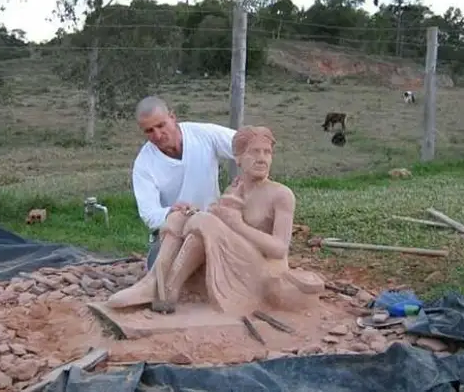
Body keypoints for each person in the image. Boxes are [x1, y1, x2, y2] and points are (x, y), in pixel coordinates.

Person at [107, 125, 324, 315]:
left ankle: (168, 287)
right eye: (254, 152)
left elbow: (278, 250)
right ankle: (155, 282)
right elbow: (219, 225)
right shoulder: (235, 189)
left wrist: (235, 224)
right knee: (179, 216)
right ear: (237, 157)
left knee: (204, 223)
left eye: (267, 152)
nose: (262, 158)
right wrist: (198, 213)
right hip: (235, 257)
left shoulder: (281, 195)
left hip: (263, 268)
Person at [131, 96, 237, 269]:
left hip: (215, 222)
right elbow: (149, 214)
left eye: (161, 125)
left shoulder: (203, 134)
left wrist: (248, 174)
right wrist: (169, 212)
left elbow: (243, 143)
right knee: (159, 271)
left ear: (172, 117)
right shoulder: (144, 164)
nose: (157, 135)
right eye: (149, 131)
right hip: (177, 231)